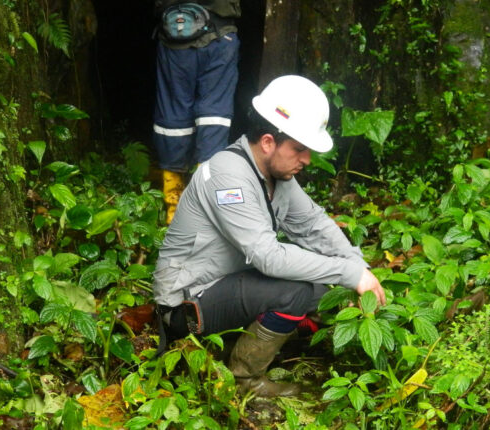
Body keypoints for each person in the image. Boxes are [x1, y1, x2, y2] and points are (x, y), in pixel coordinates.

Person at [152, 75, 387, 397]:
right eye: (299, 149)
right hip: (187, 303)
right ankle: (244, 381)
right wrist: (350, 273)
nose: (306, 160)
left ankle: (259, 337)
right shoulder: (227, 176)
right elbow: (268, 256)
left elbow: (313, 225)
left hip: (228, 286)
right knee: (295, 292)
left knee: (323, 287)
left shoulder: (276, 177)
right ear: (267, 142)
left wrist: (359, 269)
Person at [153, 0, 241, 224]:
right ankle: (206, 207)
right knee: (215, 115)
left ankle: (173, 209)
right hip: (220, 37)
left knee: (173, 117)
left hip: (176, 38)